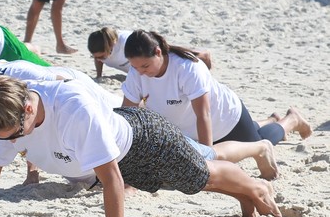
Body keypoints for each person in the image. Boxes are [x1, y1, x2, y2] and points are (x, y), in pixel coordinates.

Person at [0, 76, 281, 217]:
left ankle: (256, 186)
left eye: (16, 136)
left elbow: (112, 178)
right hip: (121, 141)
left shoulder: (73, 110)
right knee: (203, 162)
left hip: (145, 141)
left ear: (29, 109)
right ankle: (245, 189)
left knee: (201, 175)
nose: (10, 143)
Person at [121, 30, 312, 146]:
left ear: (158, 52)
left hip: (224, 118)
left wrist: (208, 154)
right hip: (189, 132)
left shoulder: (187, 68)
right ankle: (271, 119)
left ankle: (291, 120)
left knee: (259, 142)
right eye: (135, 67)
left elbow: (203, 115)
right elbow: (128, 116)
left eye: (145, 66)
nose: (140, 73)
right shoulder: (136, 73)